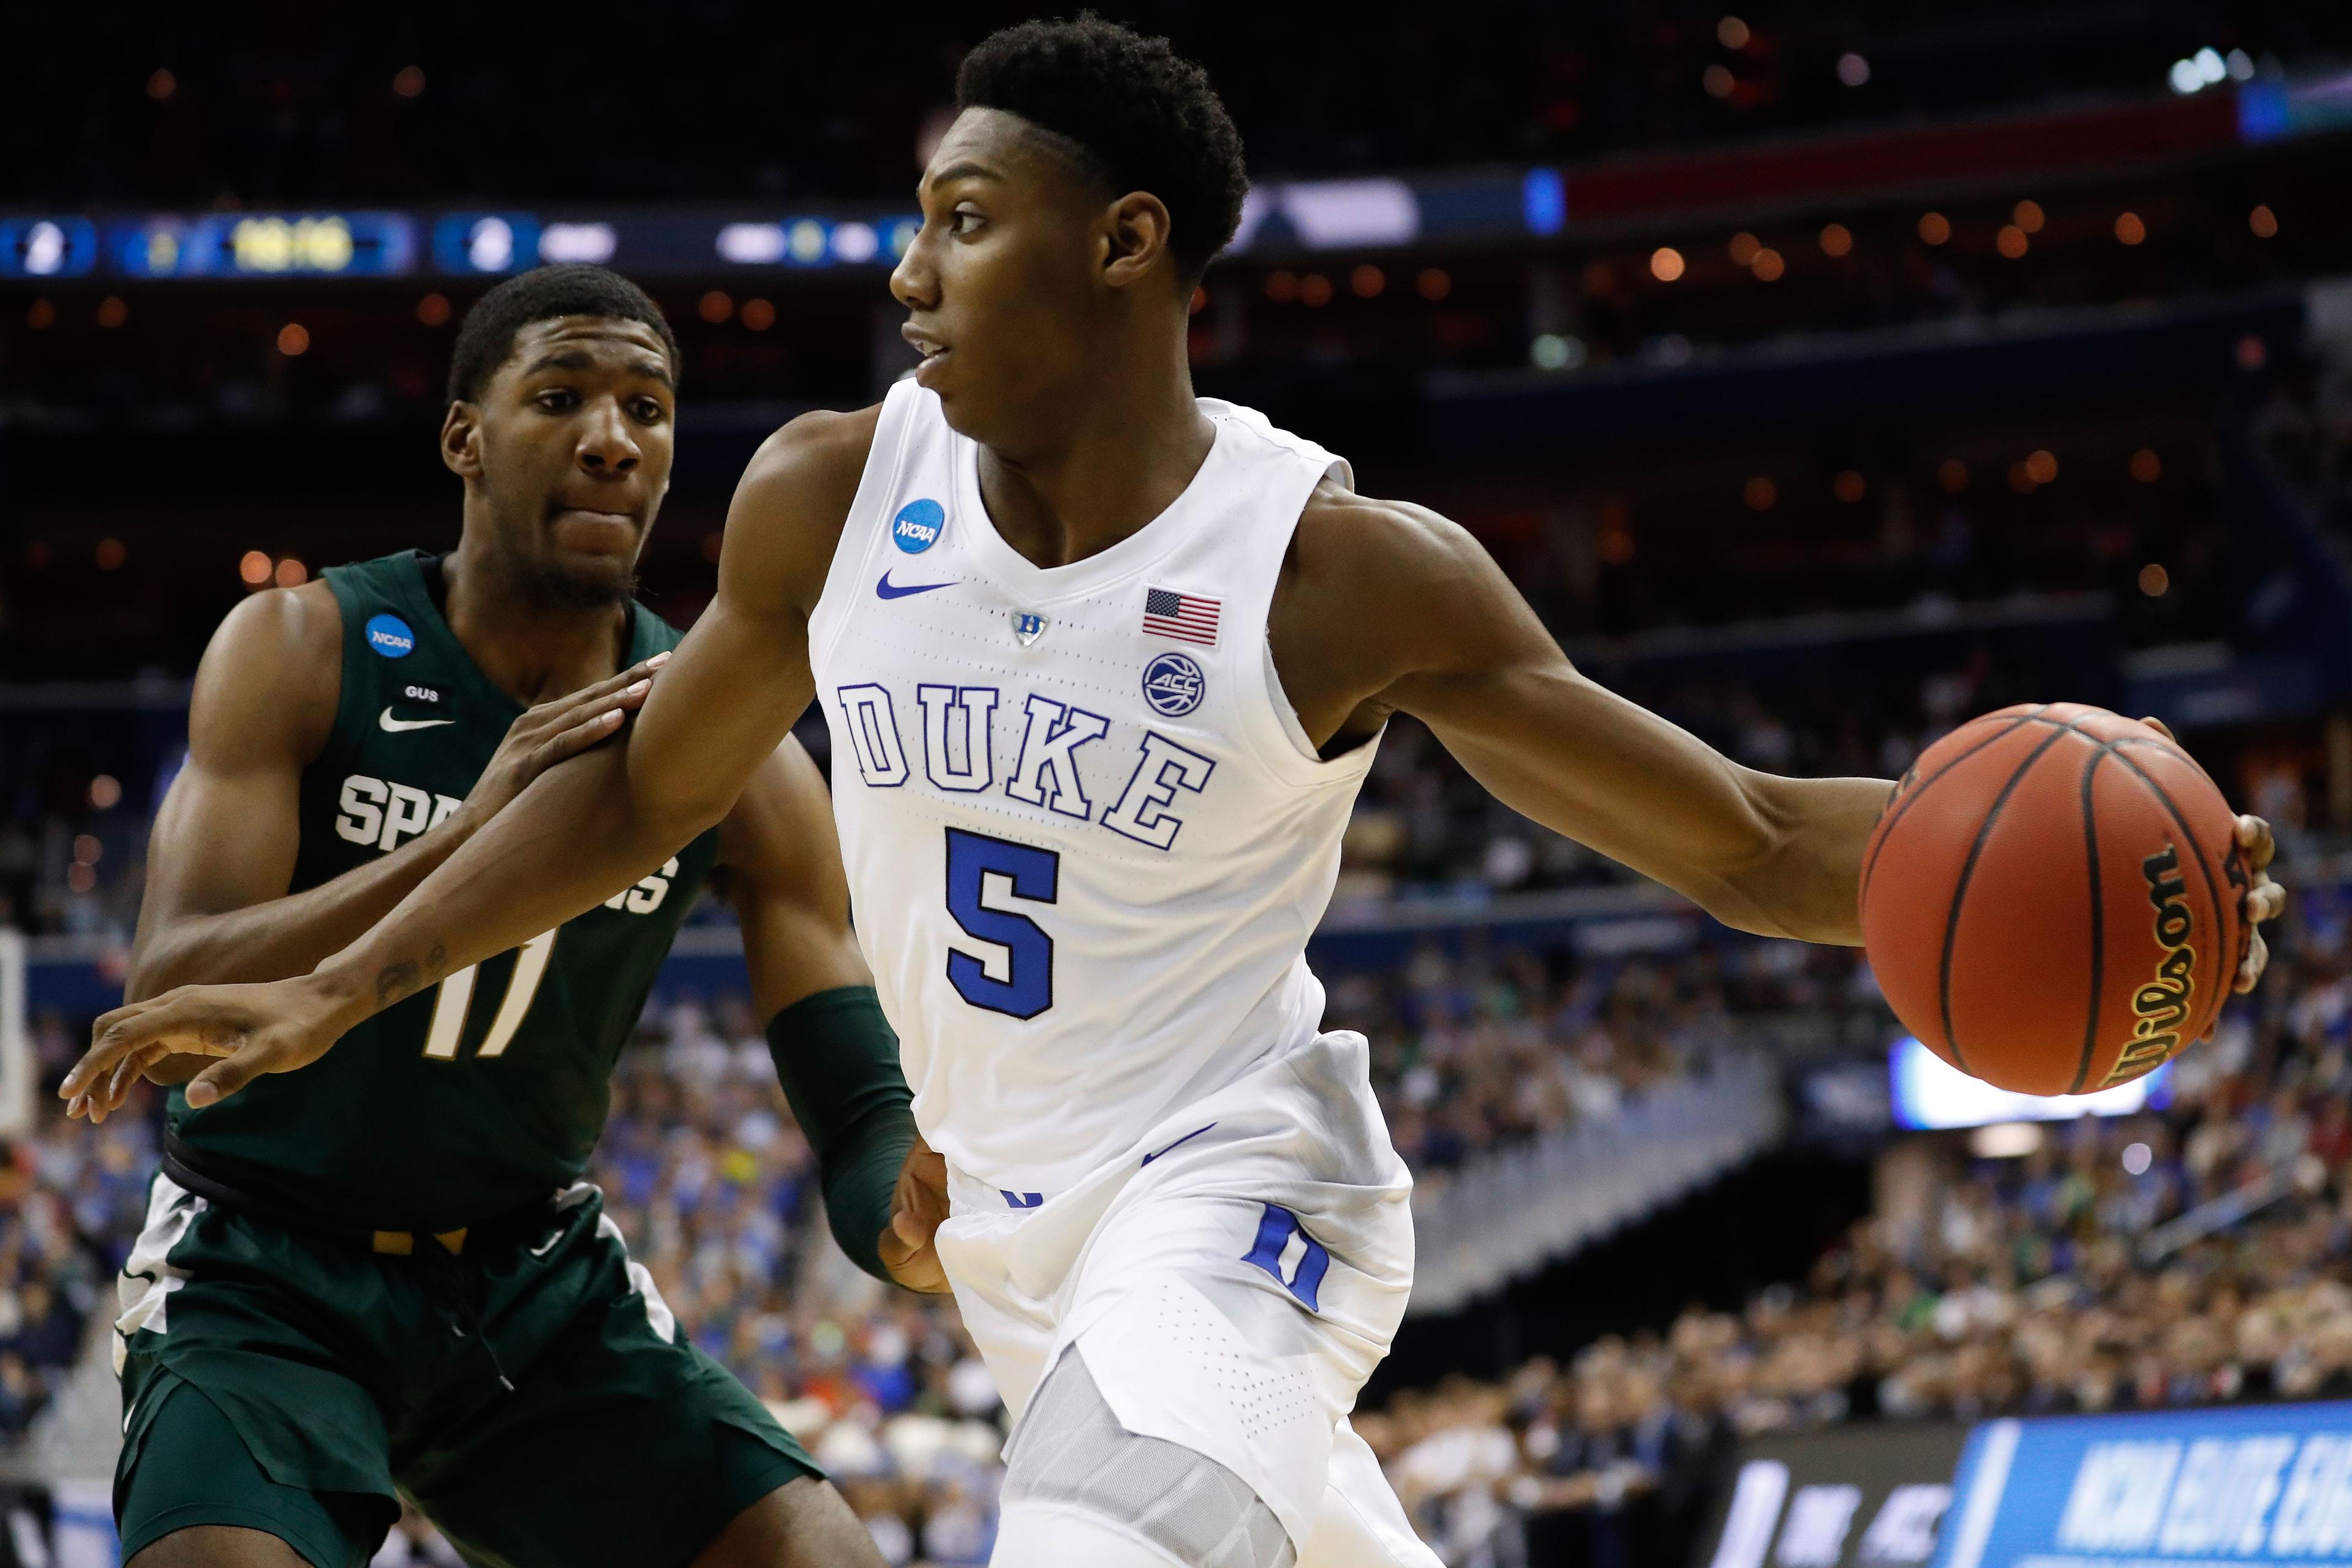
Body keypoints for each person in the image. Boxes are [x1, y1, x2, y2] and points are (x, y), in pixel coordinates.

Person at [69, 20, 2286, 1568]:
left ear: (1124, 246)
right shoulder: (835, 493)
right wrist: (342, 977)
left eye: (961, 220)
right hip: (1027, 1259)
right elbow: (642, 792)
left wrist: (2128, 888)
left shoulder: (1340, 571)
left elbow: (1741, 836)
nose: (908, 271)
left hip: (1246, 1201)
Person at [70, 266, 934, 1568]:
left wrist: (900, 1214)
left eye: (647, 406)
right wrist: (469, 831)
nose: (612, 435)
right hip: (264, 1267)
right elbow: (174, 993)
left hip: (530, 1277)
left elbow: (853, 1086)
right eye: (562, 395)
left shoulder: (728, 741)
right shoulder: (303, 643)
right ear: (464, 437)